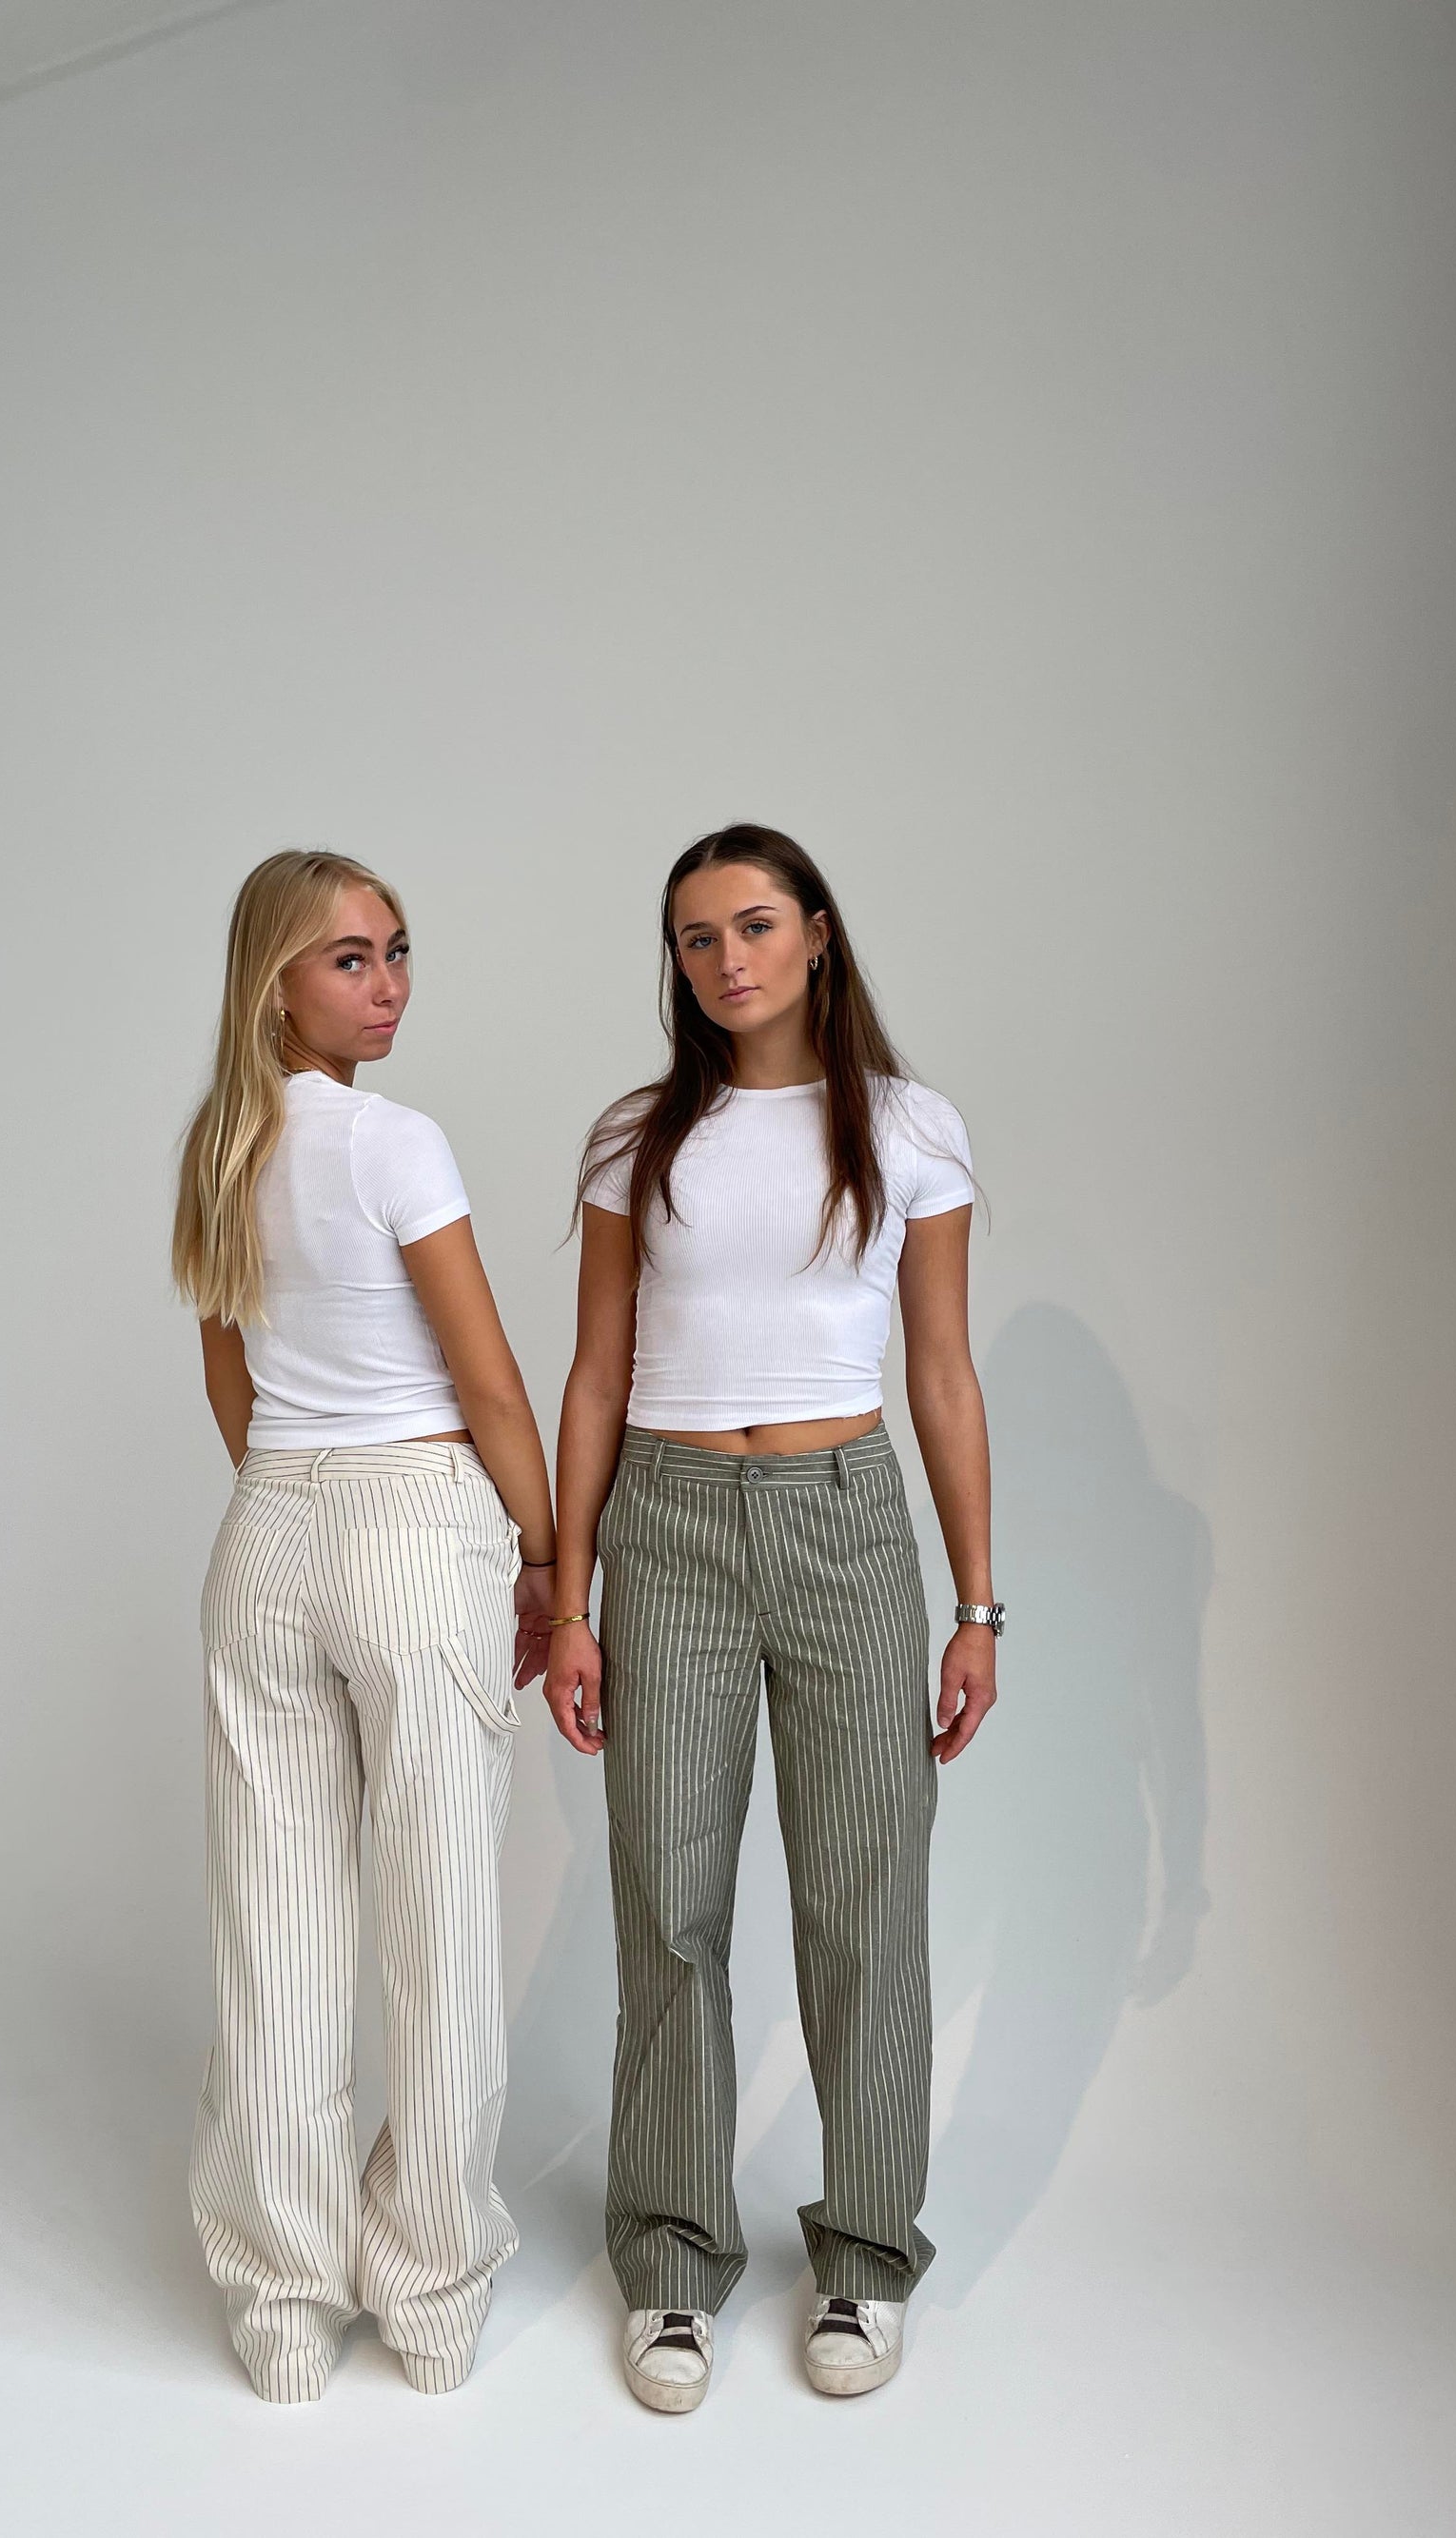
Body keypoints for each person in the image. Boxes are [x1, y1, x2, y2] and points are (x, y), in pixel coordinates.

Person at [542, 823, 1001, 2412]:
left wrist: (978, 1605)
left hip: (847, 1527)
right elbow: (594, 1375)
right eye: (694, 937)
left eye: (752, 925)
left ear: (816, 934)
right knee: (668, 1906)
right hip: (666, 1528)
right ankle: (673, 2261)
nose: (725, 959)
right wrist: (570, 1591)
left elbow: (942, 1374)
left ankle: (866, 2255)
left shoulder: (910, 1128)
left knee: (865, 1904)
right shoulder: (636, 1136)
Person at [172, 850, 556, 2404]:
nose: (388, 984)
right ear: (274, 980)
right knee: (440, 1924)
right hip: (414, 1525)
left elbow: (227, 1375)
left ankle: (279, 2310)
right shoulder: (395, 1142)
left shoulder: (221, 1145)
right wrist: (547, 1560)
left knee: (275, 1931)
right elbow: (490, 1383)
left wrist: (293, 1502)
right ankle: (432, 2298)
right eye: (350, 958)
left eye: (398, 952)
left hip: (264, 1533)